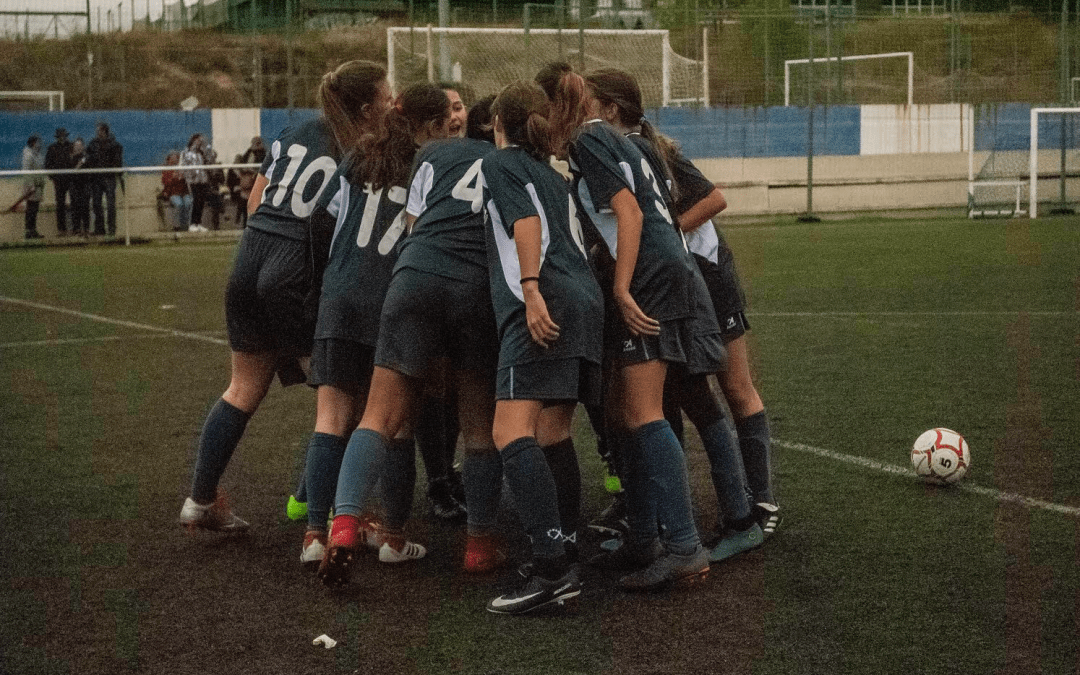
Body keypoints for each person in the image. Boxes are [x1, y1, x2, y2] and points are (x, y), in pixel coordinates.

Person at [178, 59, 393, 534]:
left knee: (242, 389)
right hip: (294, 270)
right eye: (386, 94)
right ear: (366, 108)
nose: (393, 100)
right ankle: (339, 512)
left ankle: (200, 498)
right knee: (348, 397)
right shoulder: (362, 148)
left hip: (251, 257)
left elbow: (256, 201)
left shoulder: (294, 132)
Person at [583, 69, 766, 565]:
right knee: (669, 402)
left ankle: (743, 513)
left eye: (587, 99)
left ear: (612, 108)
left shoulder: (646, 149)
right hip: (676, 279)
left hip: (694, 279)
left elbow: (709, 198)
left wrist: (666, 239)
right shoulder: (626, 150)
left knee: (698, 397)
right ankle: (675, 521)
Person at [318, 99, 500, 587]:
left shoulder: (420, 157)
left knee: (379, 419)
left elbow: (412, 224)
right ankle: (480, 545)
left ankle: (349, 526)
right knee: (479, 426)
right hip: (474, 289)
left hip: (412, 280)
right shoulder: (503, 161)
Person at [568, 76, 714, 591]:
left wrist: (624, 287)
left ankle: (683, 546)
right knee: (624, 413)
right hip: (663, 269)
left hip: (650, 277)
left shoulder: (588, 138)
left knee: (642, 412)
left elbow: (630, 212)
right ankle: (646, 537)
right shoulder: (629, 142)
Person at [299, 83, 453, 568]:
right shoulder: (431, 167)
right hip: (392, 300)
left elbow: (319, 223)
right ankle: (392, 537)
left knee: (331, 418)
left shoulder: (359, 156)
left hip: (340, 295)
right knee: (396, 423)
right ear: (429, 126)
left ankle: (315, 536)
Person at [481, 82, 603, 615]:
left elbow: (525, 224)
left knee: (509, 430)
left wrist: (530, 289)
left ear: (498, 124)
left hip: (546, 298)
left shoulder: (501, 163)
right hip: (584, 301)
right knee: (553, 431)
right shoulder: (553, 174)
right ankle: (564, 549)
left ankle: (553, 566)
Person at [86, 122, 123, 236]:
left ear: (104, 131)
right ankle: (100, 228)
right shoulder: (92, 144)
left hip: (109, 177)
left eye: (100, 131)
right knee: (96, 203)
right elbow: (89, 159)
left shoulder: (114, 145)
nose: (98, 133)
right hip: (96, 178)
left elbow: (118, 161)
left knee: (110, 204)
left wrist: (117, 173)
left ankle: (111, 229)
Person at [229, 137, 266, 229]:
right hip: (246, 186)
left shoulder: (263, 155)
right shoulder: (248, 153)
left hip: (255, 184)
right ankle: (243, 222)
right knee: (243, 202)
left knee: (251, 203)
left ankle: (252, 223)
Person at [45, 128, 74, 236]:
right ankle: (61, 229)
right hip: (59, 181)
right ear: (57, 137)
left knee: (74, 204)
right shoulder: (52, 148)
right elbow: (48, 164)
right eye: (61, 135)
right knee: (60, 205)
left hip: (71, 180)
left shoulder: (71, 146)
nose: (63, 137)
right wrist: (53, 178)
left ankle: (74, 228)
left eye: (64, 135)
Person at [180, 133, 211, 233]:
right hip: (192, 181)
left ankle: (198, 222)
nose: (199, 142)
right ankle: (192, 223)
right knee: (195, 200)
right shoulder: (186, 152)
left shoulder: (202, 152)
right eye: (198, 140)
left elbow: (210, 159)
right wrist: (189, 177)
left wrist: (206, 149)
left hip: (202, 180)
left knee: (201, 201)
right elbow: (184, 165)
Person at [20, 135, 45, 239]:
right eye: (38, 142)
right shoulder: (28, 155)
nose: (40, 144)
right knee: (30, 209)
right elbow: (26, 171)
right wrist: (31, 186)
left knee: (34, 209)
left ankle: (33, 230)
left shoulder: (37, 155)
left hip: (38, 186)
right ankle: (28, 231)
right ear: (34, 143)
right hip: (32, 187)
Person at [161, 151, 192, 233]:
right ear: (169, 159)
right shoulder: (166, 170)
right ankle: (176, 226)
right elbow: (166, 184)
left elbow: (188, 182)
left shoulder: (182, 169)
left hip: (184, 193)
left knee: (188, 203)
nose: (175, 160)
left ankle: (186, 225)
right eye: (173, 158)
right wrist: (173, 178)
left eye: (177, 158)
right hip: (173, 193)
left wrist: (184, 177)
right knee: (178, 204)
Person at [69, 138, 91, 237]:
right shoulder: (70, 158)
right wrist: (77, 166)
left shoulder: (86, 157)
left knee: (85, 207)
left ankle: (86, 228)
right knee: (75, 207)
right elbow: (69, 171)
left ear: (83, 147)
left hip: (85, 184)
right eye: (76, 146)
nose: (78, 148)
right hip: (74, 185)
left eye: (80, 146)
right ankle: (76, 228)